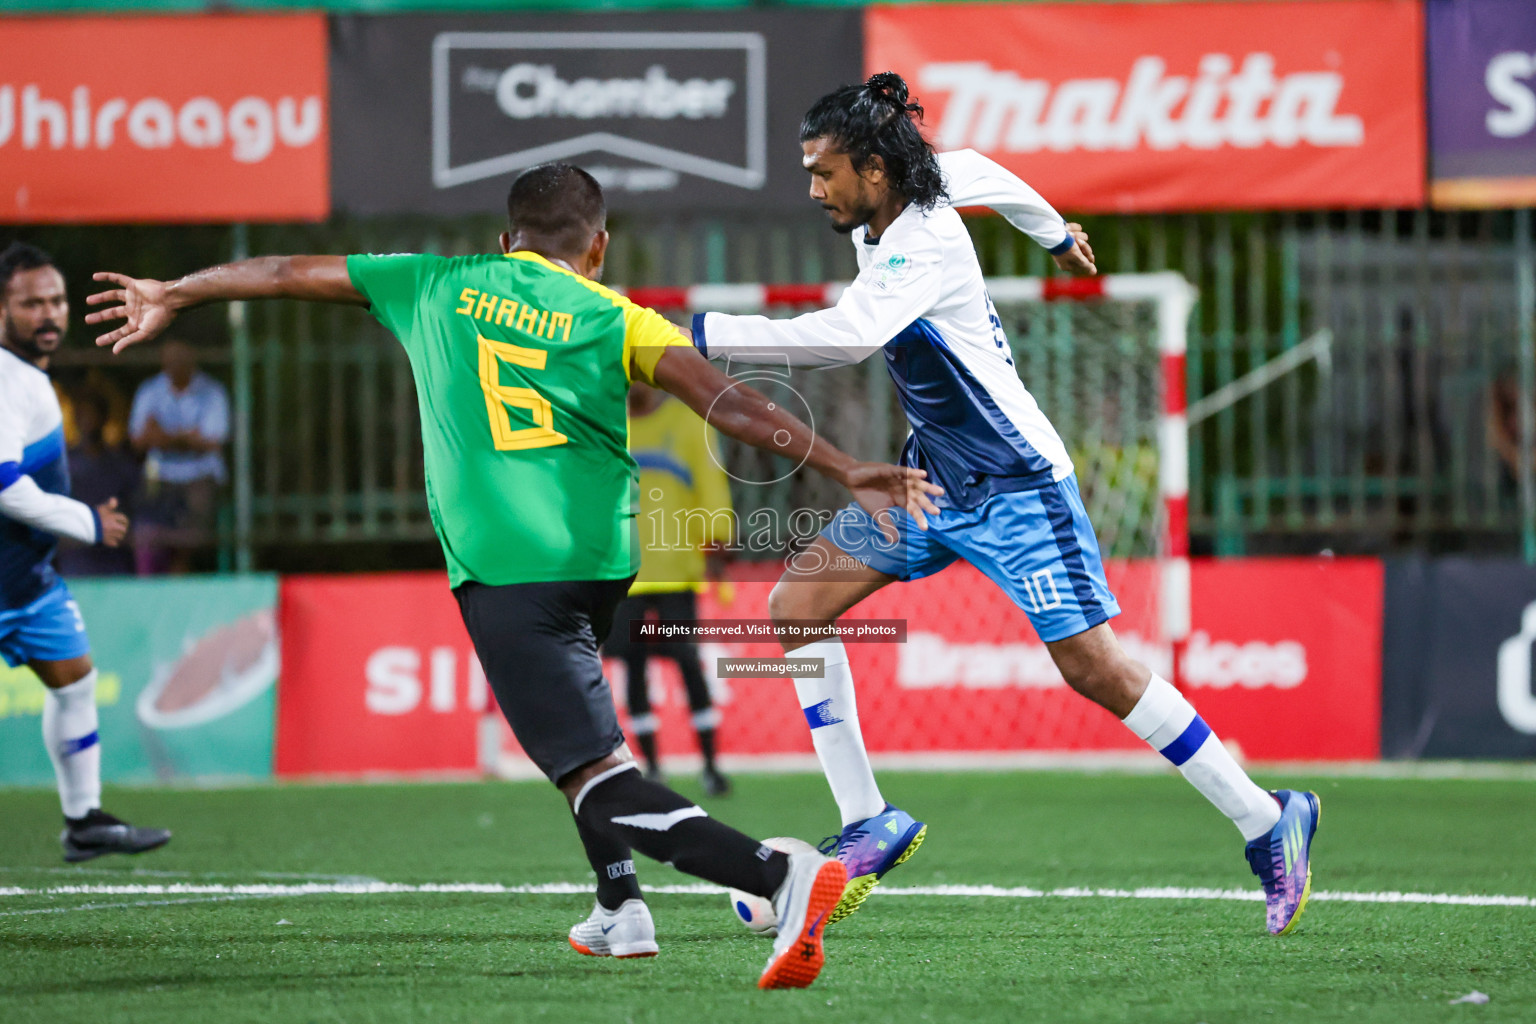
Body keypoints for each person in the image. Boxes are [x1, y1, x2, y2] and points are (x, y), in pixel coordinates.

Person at [86, 163, 942, 989]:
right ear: (598, 247)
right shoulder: (617, 314)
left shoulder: (432, 283)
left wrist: (176, 292)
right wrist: (844, 464)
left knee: (589, 775)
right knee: (584, 739)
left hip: (506, 568)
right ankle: (621, 908)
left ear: (506, 238)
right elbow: (733, 404)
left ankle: (776, 878)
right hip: (604, 564)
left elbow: (278, 271)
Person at [688, 73, 1320, 935]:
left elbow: (845, 336)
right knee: (796, 605)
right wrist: (1057, 235)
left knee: (1093, 668)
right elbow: (988, 170)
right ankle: (868, 819)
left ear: (873, 169)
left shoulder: (924, 241)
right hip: (930, 480)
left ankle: (1265, 817)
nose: (812, 189)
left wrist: (693, 333)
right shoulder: (913, 191)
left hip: (1020, 489)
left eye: (823, 172)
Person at [0, 241, 171, 862]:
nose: (48, 314)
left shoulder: (30, 378)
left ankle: (84, 822)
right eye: (30, 304)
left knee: (74, 683)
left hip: (24, 581)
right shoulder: (4, 378)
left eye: (56, 300)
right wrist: (87, 523)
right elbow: (4, 485)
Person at [603, 380, 735, 795]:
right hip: (625, 572)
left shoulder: (688, 422)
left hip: (678, 567)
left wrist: (718, 533)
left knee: (685, 658)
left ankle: (711, 766)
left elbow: (710, 482)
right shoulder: (607, 425)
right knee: (632, 662)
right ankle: (652, 768)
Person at [128, 338, 229, 574]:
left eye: (180, 359)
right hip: (160, 476)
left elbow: (213, 442)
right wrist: (188, 437)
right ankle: (151, 582)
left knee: (193, 532)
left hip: (200, 475)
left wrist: (162, 435)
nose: (174, 364)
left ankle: (180, 573)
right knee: (145, 526)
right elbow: (138, 441)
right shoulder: (150, 390)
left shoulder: (212, 391)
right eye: (169, 359)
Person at [55, 387, 139, 577]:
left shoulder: (121, 465)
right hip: (75, 561)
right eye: (82, 414)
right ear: (74, 418)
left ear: (104, 417)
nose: (87, 420)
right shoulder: (62, 465)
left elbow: (134, 511)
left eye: (92, 413)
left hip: (115, 560)